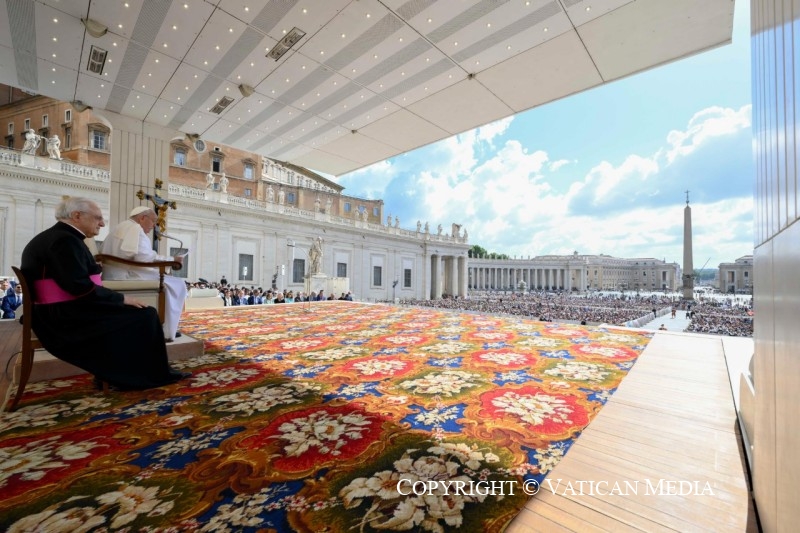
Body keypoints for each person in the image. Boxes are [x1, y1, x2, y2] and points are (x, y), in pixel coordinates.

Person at [20, 197, 189, 389]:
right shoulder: (64, 242)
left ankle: (121, 373)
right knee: (145, 315)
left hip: (62, 310)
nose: (102, 223)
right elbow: (80, 287)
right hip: (64, 318)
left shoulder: (62, 237)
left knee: (141, 313)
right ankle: (141, 376)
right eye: (98, 218)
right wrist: (121, 298)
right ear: (77, 216)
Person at [100, 206, 188, 342]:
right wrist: (172, 259)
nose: (154, 226)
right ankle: (166, 330)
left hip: (115, 273)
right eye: (153, 221)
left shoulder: (122, 226)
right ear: (142, 218)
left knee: (172, 282)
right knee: (177, 284)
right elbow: (144, 258)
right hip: (126, 276)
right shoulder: (135, 229)